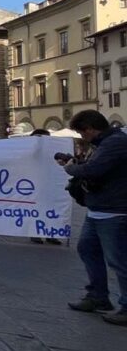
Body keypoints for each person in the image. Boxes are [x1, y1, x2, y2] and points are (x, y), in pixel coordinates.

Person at [58, 110, 127, 325]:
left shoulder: (115, 143)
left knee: (118, 260)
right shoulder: (102, 144)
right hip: (98, 209)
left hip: (114, 211)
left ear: (90, 128)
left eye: (81, 132)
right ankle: (98, 296)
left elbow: (94, 170)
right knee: (87, 249)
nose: (81, 137)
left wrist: (71, 168)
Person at [27, 129, 62, 245]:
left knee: (51, 209)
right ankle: (35, 233)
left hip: (50, 184)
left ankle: (51, 233)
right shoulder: (30, 150)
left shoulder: (52, 150)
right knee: (35, 209)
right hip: (34, 185)